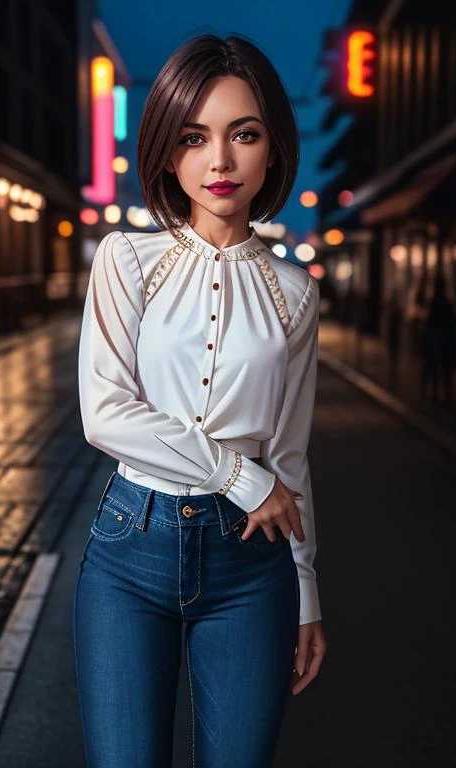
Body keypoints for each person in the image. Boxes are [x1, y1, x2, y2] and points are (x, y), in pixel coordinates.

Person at [73, 33, 327, 768]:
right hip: (129, 550)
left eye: (243, 135)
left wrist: (307, 590)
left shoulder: (294, 294)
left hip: (254, 568)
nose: (220, 162)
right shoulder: (128, 261)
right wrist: (240, 476)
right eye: (195, 137)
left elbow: (289, 455)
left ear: (272, 147)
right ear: (167, 150)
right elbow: (105, 413)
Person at [420, 271, 456, 406]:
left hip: (437, 338)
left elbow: (429, 321)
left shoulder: (435, 302)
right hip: (442, 338)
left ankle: (435, 395)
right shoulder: (445, 302)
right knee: (441, 369)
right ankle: (442, 396)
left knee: (435, 368)